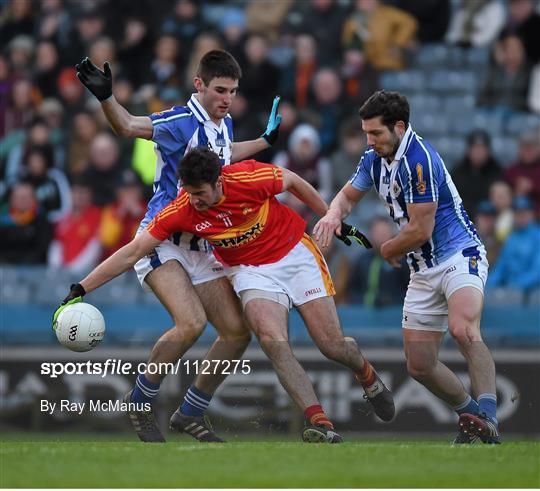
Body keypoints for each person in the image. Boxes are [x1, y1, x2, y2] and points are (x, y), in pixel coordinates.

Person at [54, 148, 394, 443]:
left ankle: (365, 373)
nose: (195, 201)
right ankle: (319, 421)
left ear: (219, 181)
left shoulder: (247, 178)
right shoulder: (183, 209)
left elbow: (291, 180)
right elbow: (132, 252)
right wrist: (83, 287)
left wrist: (330, 217)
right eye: (190, 192)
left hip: (295, 253)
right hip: (249, 270)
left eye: (200, 193)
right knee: (271, 338)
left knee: (332, 344)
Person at [72, 51, 282, 443]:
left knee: (237, 334)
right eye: (220, 90)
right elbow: (129, 126)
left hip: (202, 243)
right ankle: (140, 400)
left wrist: (264, 142)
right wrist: (105, 98)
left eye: (233, 92)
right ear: (198, 85)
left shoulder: (224, 124)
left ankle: (190, 411)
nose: (227, 99)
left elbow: (227, 154)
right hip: (162, 239)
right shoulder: (178, 122)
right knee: (191, 324)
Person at [314, 90, 500, 444]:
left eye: (376, 133)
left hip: (459, 255)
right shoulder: (374, 159)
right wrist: (333, 214)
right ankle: (472, 415)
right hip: (421, 268)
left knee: (464, 330)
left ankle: (490, 417)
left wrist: (386, 248)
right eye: (366, 133)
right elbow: (348, 196)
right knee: (419, 365)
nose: (369, 141)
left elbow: (420, 229)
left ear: (399, 126)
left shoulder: (420, 160)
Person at [487, 196, 540, 293]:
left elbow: (537, 272)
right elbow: (501, 266)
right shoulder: (511, 237)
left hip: (533, 295)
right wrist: (486, 286)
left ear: (531, 214)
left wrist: (513, 286)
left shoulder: (537, 236)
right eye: (517, 212)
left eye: (524, 212)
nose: (520, 215)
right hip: (510, 292)